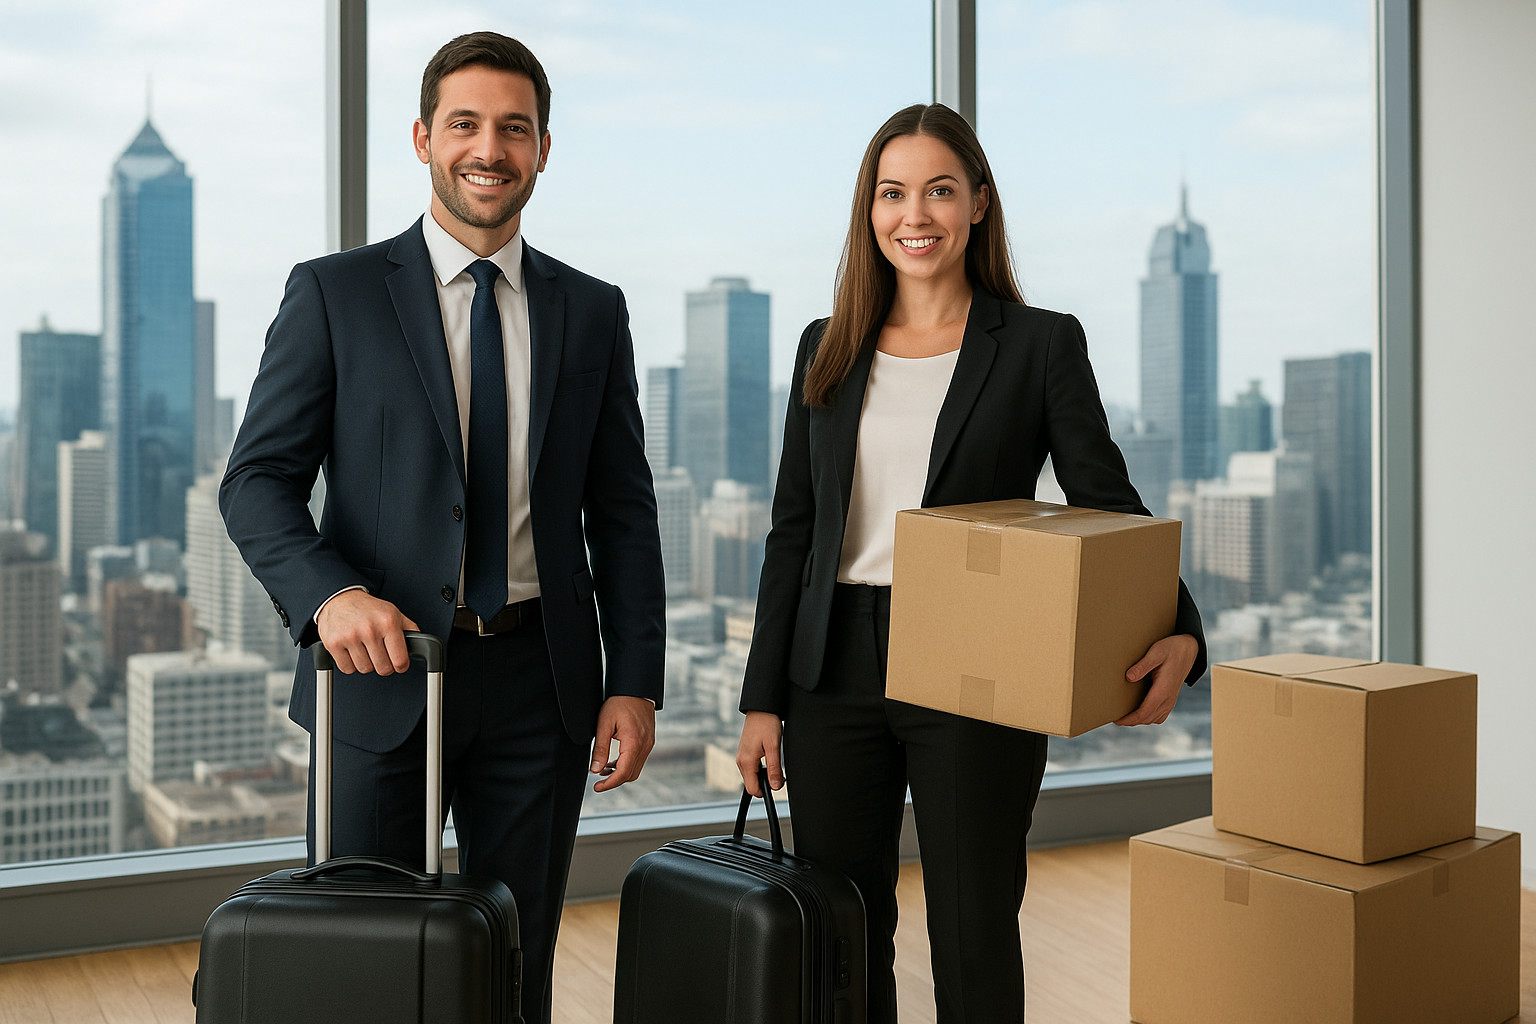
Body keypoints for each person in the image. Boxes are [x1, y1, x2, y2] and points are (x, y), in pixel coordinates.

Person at [220, 32, 665, 1024]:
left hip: (538, 688)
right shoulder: (334, 293)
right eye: (465, 124)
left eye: (515, 127)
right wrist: (328, 594)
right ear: (424, 138)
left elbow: (624, 513)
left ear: (544, 148)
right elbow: (255, 483)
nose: (489, 148)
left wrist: (634, 678)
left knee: (514, 962)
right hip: (378, 678)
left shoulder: (593, 312)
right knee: (361, 963)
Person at [735, 103, 1207, 1023]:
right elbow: (793, 531)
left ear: (979, 204)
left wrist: (1182, 629)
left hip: (979, 658)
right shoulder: (823, 347)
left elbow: (1106, 506)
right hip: (835, 665)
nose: (916, 214)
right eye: (894, 193)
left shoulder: (1038, 344)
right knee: (845, 926)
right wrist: (763, 700)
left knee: (975, 920)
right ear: (869, 213)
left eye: (941, 191)